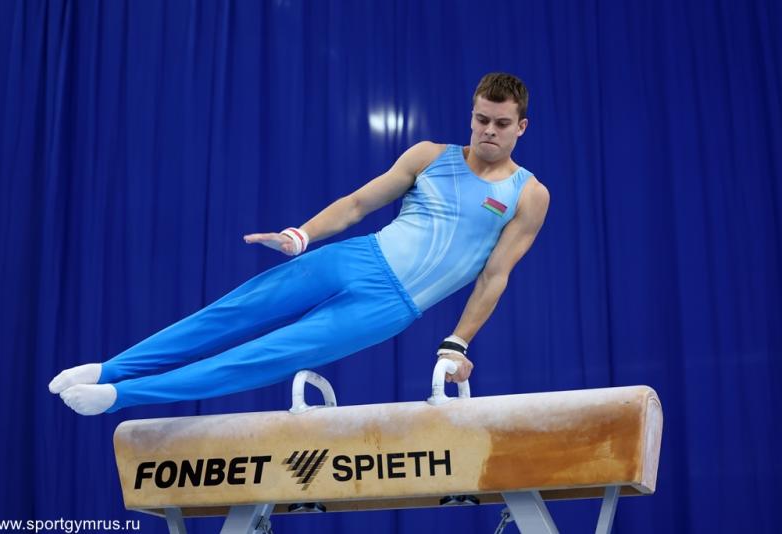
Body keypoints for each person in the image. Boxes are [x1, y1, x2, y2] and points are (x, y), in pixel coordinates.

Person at [49, 72, 550, 415]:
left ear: (521, 127)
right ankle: (110, 368)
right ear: (471, 115)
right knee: (231, 313)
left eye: (501, 124)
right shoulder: (429, 155)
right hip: (355, 258)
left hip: (389, 307)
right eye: (481, 119)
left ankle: (120, 395)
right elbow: (357, 204)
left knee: (267, 355)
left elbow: (495, 275)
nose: (488, 131)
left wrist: (457, 342)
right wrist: (301, 234)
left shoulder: (527, 195)